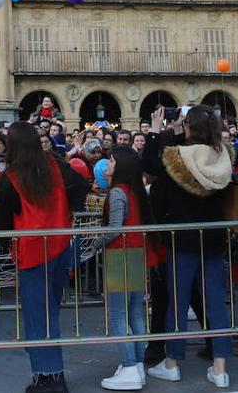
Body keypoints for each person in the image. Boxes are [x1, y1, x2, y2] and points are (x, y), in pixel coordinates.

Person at [142, 105, 233, 389]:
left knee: (178, 301)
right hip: (214, 238)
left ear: (189, 128)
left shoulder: (177, 157)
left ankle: (172, 363)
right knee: (216, 302)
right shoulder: (224, 156)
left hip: (182, 239)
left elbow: (150, 165)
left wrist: (158, 132)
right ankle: (220, 369)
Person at [0, 122, 79, 393]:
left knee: (37, 315)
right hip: (60, 245)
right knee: (50, 311)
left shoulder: (10, 177)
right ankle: (55, 374)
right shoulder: (56, 165)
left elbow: (2, 224)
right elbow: (80, 189)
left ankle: (48, 376)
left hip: (32, 251)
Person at [98, 148, 156, 391]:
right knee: (135, 312)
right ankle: (137, 364)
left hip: (120, 255)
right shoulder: (135, 191)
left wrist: (93, 240)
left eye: (110, 161)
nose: (106, 165)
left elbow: (114, 228)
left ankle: (129, 365)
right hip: (136, 254)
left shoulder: (117, 192)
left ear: (119, 165)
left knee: (119, 314)